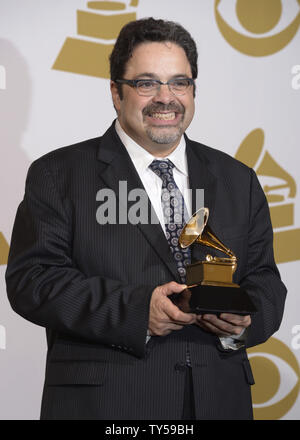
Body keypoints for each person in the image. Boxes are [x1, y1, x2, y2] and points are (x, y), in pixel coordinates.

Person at [6, 17, 286, 420]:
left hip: (218, 401)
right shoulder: (60, 174)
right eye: (146, 83)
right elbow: (32, 281)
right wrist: (137, 312)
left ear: (192, 90)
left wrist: (244, 319)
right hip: (107, 405)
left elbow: (266, 281)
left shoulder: (237, 179)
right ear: (116, 93)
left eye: (179, 82)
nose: (165, 97)